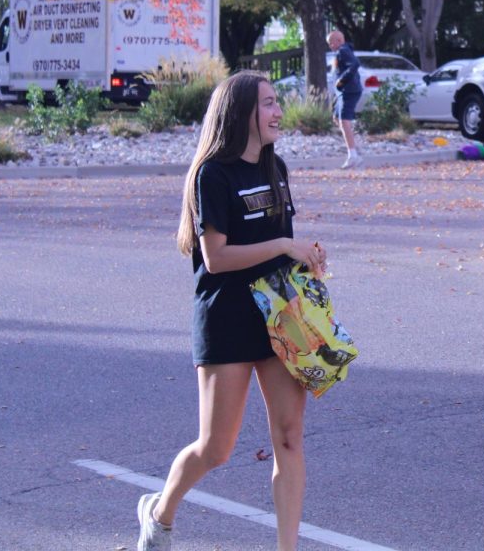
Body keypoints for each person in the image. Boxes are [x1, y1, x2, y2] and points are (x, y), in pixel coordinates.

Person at [136, 71, 328, 551]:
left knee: (289, 438)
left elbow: (278, 247)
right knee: (216, 448)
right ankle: (159, 514)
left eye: (276, 101)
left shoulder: (275, 168)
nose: (278, 110)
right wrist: (284, 242)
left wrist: (306, 259)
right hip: (225, 317)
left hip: (277, 317)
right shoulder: (212, 174)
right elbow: (217, 257)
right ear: (241, 112)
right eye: (267, 103)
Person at [328, 30, 363, 168]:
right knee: (337, 118)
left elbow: (355, 64)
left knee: (344, 120)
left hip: (349, 90)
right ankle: (352, 144)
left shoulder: (343, 50)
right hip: (345, 92)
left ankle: (353, 155)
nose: (330, 45)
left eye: (331, 42)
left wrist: (342, 80)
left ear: (339, 40)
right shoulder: (344, 50)